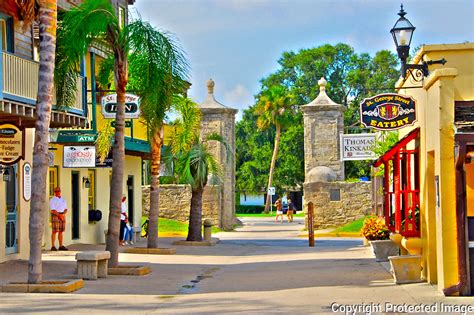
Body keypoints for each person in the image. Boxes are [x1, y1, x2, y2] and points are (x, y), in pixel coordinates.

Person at [50, 187, 68, 251]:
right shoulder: (52, 200)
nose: (58, 192)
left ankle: (60, 246)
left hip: (62, 214)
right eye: (56, 191)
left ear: (60, 191)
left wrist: (63, 214)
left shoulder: (63, 199)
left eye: (59, 191)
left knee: (61, 231)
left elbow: (66, 208)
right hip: (56, 215)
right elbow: (52, 210)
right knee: (54, 231)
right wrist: (59, 215)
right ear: (54, 192)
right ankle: (53, 246)